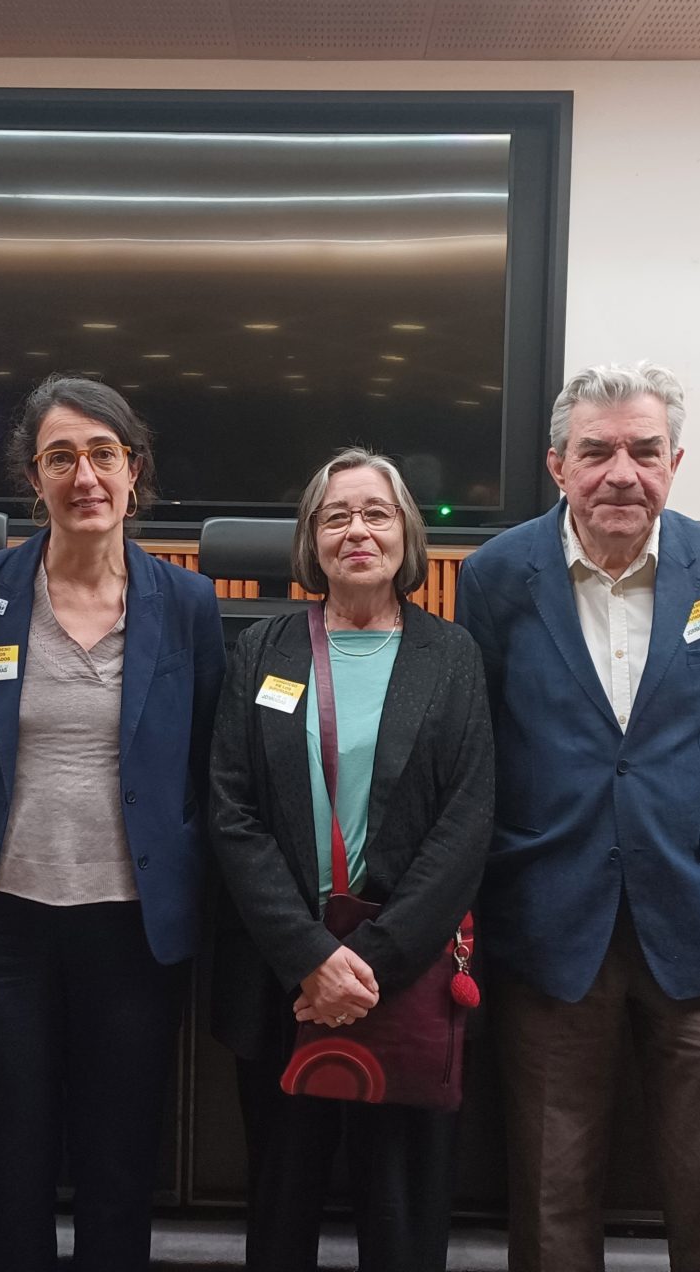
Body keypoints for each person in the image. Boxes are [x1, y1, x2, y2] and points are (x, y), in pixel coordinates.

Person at [455, 362, 700, 1272]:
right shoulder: (495, 577)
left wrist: (673, 825)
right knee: (552, 1208)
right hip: (551, 928)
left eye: (644, 450)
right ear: (558, 465)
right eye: (596, 451)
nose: (621, 473)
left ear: (675, 462)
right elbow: (482, 741)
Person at [0, 375, 225, 1272]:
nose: (84, 475)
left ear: (134, 470)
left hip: (132, 930)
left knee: (119, 1163)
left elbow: (208, 763)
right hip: (2, 928)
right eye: (61, 457)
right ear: (36, 477)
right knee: (10, 1163)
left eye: (103, 454)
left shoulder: (186, 605)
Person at [209, 448, 495, 1272]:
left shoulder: (455, 658)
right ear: (312, 540)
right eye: (336, 517)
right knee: (280, 1211)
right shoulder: (262, 650)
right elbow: (232, 814)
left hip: (403, 980)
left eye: (376, 513)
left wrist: (365, 964)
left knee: (405, 1223)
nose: (357, 531)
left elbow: (466, 823)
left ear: (406, 532)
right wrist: (310, 959)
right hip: (282, 984)